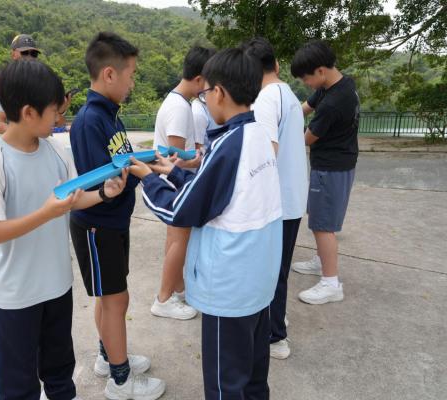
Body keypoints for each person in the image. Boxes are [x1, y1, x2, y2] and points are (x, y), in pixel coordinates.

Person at [0, 59, 128, 400]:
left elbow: (74, 198)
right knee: (17, 384)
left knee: (59, 372)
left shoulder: (55, 150)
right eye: (54, 111)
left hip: (57, 287)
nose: (58, 118)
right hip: (15, 295)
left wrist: (103, 193)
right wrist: (44, 213)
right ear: (29, 113)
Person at [129, 48, 282, 400]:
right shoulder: (258, 134)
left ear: (220, 93)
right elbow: (218, 193)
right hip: (258, 282)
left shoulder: (228, 144)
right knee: (253, 378)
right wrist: (172, 172)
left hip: (229, 288)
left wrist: (147, 179)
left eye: (205, 92)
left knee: (224, 385)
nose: (204, 99)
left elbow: (183, 211)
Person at [69, 32, 165, 400]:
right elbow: (105, 181)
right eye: (131, 75)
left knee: (111, 298)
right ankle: (120, 380)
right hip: (98, 226)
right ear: (110, 74)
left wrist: (150, 163)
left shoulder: (109, 117)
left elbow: (123, 163)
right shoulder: (90, 121)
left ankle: (107, 356)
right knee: (115, 299)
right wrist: (141, 174)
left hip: (113, 224)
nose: (133, 83)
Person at [243, 37, 308, 359]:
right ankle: (276, 320)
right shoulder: (288, 94)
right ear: (277, 64)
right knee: (278, 268)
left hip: (277, 202)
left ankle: (275, 336)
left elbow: (267, 153)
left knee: (271, 271)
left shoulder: (266, 99)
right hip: (292, 197)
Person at [290, 40, 359, 305]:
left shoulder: (333, 102)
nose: (306, 83)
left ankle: (331, 283)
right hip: (339, 163)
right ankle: (321, 261)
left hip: (331, 168)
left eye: (306, 78)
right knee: (321, 218)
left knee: (322, 225)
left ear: (320, 71)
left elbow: (305, 139)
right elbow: (303, 108)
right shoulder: (339, 84)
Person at [150, 46, 215, 320]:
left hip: (170, 184)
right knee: (179, 241)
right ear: (199, 79)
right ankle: (163, 299)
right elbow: (174, 158)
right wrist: (199, 160)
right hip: (174, 185)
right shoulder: (180, 107)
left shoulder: (178, 102)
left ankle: (177, 290)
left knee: (175, 240)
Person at [0, 34, 72, 134]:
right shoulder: (5, 86)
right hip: (15, 143)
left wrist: (61, 111)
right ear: (13, 54)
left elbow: (59, 123)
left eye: (34, 54)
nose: (29, 57)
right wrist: (28, 135)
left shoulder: (44, 85)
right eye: (25, 52)